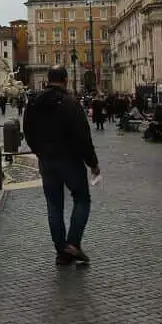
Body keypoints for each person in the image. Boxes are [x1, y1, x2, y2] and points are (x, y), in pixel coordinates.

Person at [22, 65, 100, 266]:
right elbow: (83, 136)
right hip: (70, 159)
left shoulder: (34, 102)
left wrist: (39, 151)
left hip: (47, 160)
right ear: (65, 79)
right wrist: (92, 162)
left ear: (48, 79)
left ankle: (61, 251)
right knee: (82, 198)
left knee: (54, 205)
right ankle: (73, 243)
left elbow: (28, 131)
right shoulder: (70, 103)